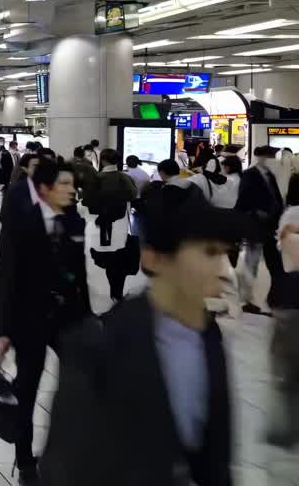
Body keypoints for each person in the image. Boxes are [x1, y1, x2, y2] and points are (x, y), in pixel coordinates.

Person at [39, 184, 244, 486]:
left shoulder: (209, 338)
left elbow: (214, 462)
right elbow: (64, 466)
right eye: (209, 253)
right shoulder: (96, 343)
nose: (225, 270)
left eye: (226, 253)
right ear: (154, 259)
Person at [0, 160, 92, 484]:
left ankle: (66, 451)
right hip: (28, 318)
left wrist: (87, 317)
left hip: (66, 317)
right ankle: (25, 461)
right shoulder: (22, 221)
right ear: (45, 189)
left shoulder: (74, 221)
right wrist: (0, 330)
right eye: (64, 184)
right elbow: (5, 276)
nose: (71, 190)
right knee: (27, 390)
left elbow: (80, 276)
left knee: (80, 383)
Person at [81, 148, 139, 302]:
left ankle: (107, 296)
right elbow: (133, 195)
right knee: (119, 259)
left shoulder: (97, 178)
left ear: (104, 160)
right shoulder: (124, 178)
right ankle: (116, 293)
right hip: (121, 225)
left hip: (101, 226)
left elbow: (87, 201)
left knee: (104, 260)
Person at [236, 145, 285, 315]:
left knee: (274, 264)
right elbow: (243, 200)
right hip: (255, 226)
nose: (273, 159)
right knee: (252, 262)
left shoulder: (270, 175)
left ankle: (275, 299)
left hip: (270, 227)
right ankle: (248, 299)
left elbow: (276, 199)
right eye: (271, 156)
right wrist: (255, 212)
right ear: (261, 157)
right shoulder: (250, 175)